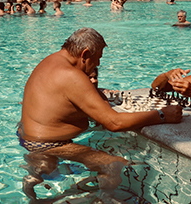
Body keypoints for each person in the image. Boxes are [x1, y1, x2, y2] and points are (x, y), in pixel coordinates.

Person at [18, 28, 182, 201]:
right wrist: (162, 115)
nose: (97, 65)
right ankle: (101, 199)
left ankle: (38, 175)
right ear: (85, 54)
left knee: (51, 169)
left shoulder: (51, 61)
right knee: (114, 165)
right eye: (98, 59)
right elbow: (114, 123)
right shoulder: (71, 75)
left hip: (28, 136)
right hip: (49, 144)